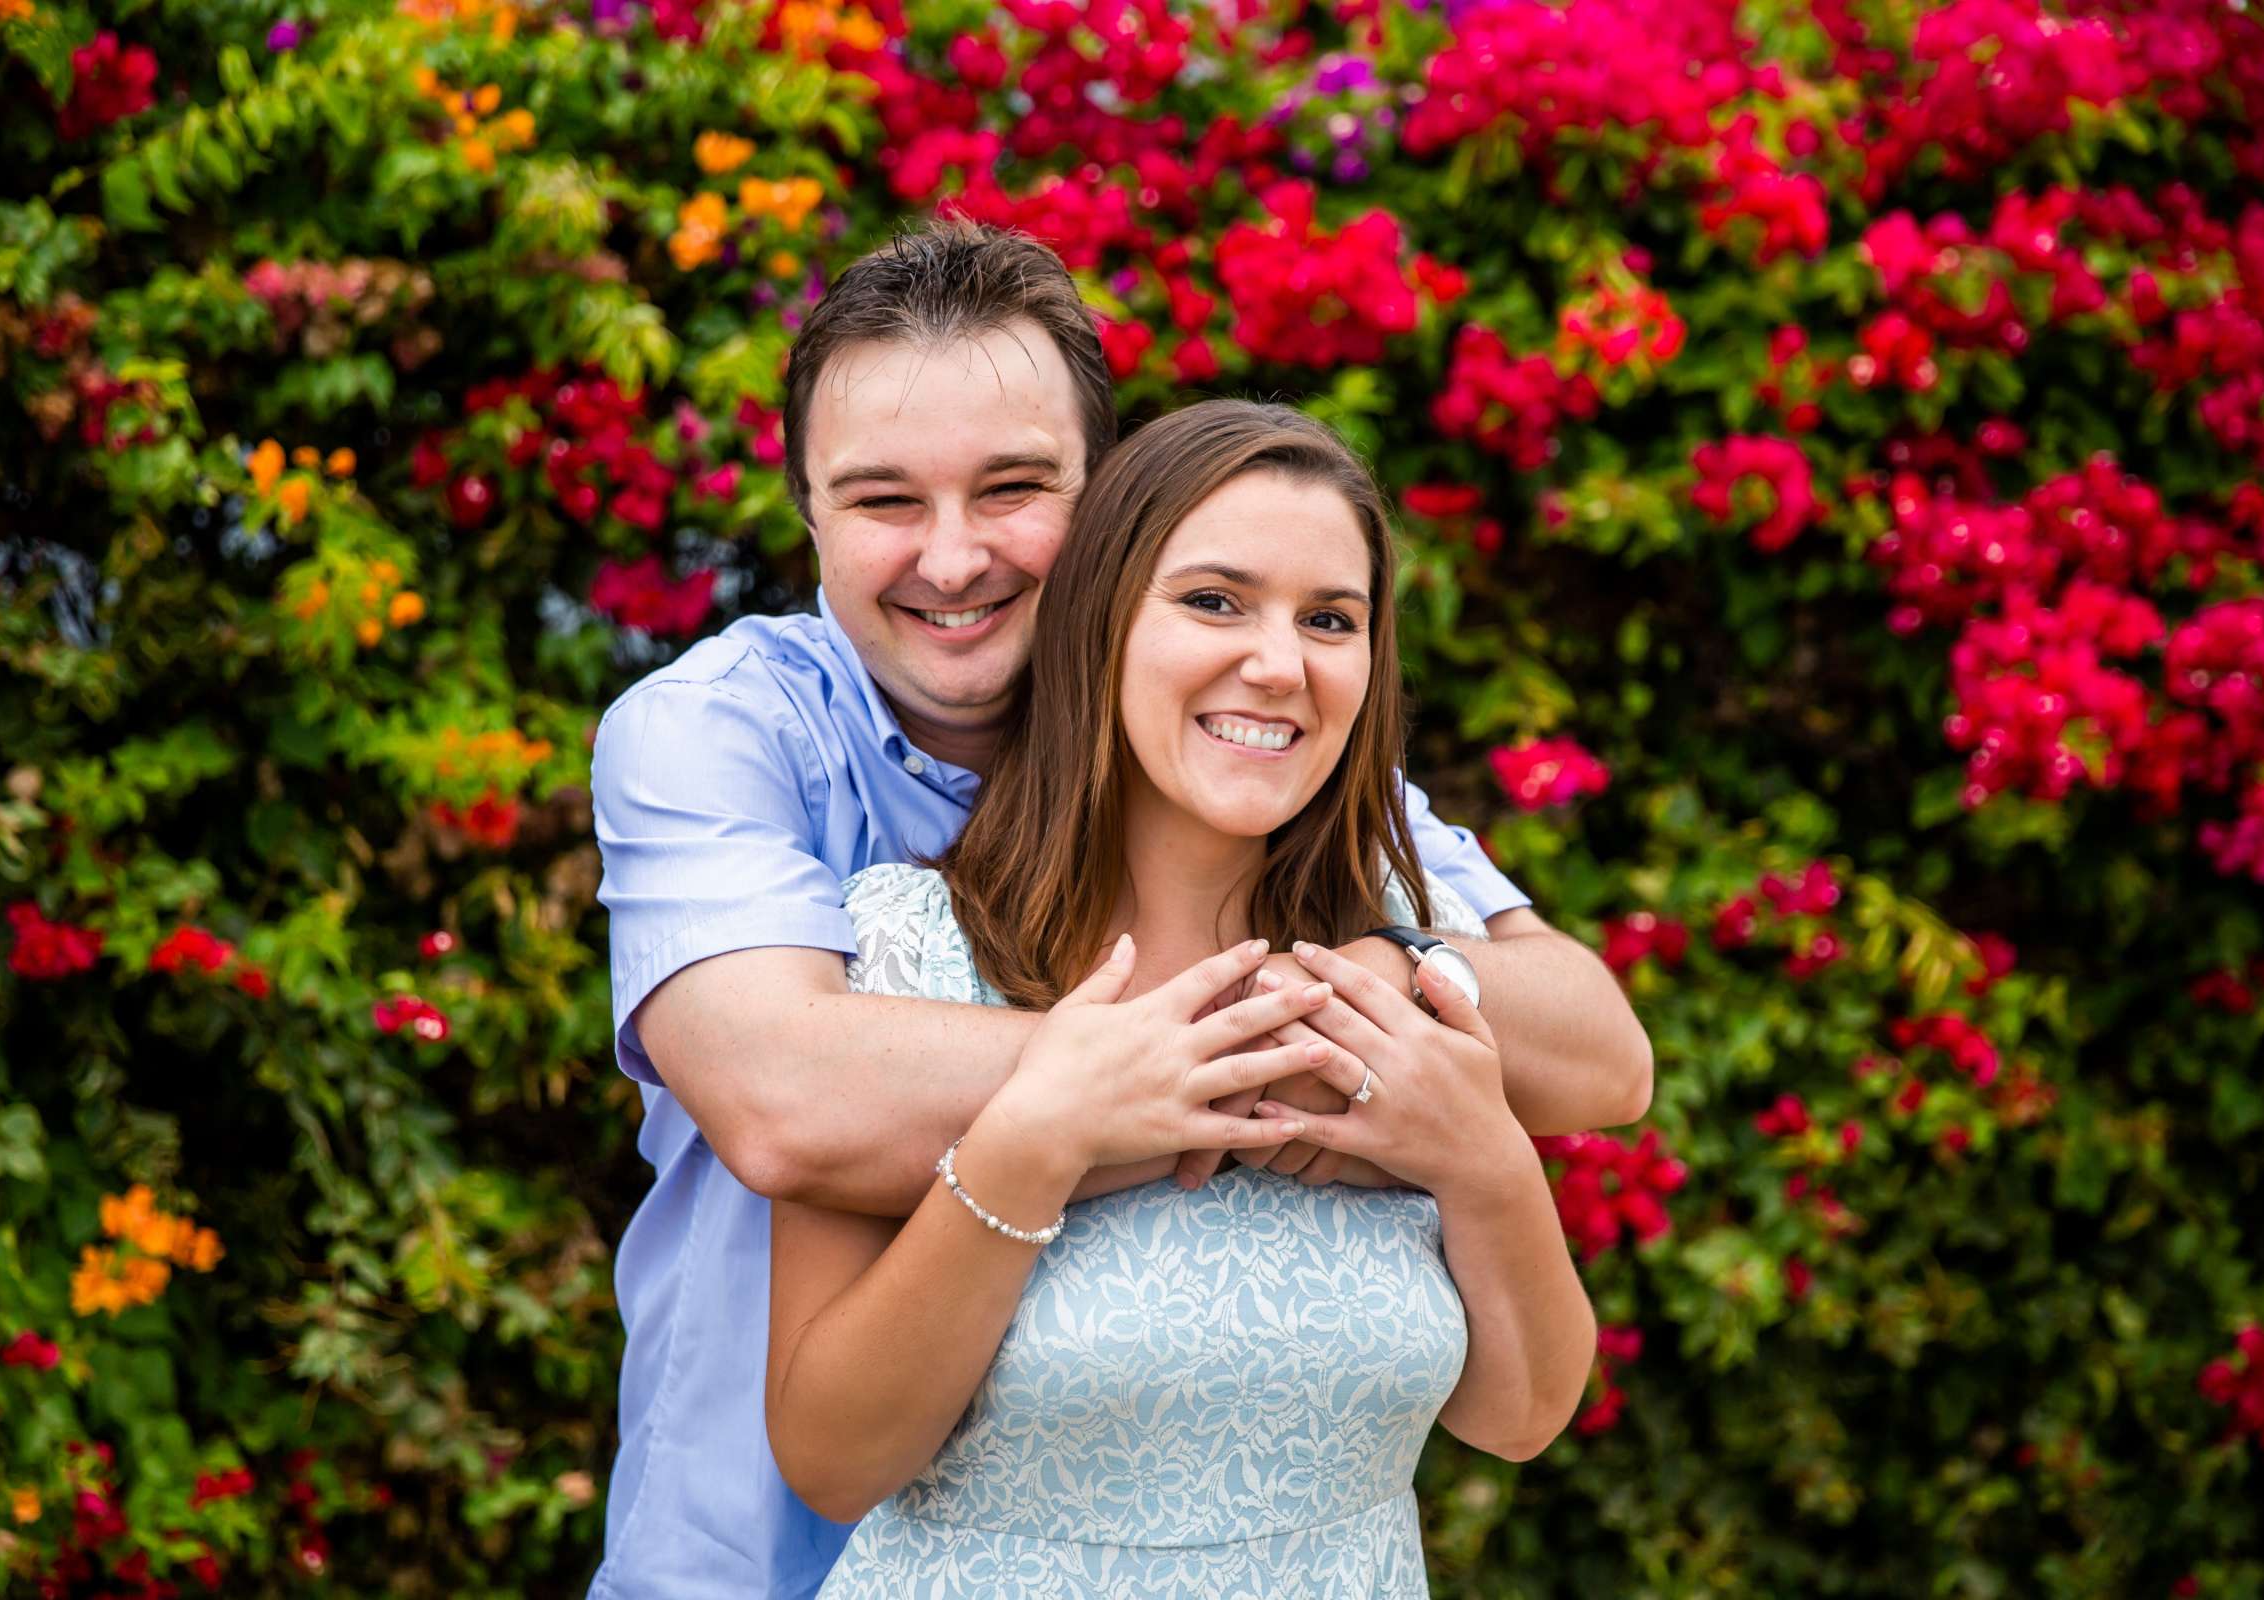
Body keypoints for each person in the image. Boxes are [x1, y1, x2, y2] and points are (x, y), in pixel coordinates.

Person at [586, 222, 1650, 1600]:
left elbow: (1596, 1053)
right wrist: (1266, 1061)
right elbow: (787, 1103)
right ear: (809, 519)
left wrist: (1414, 1044)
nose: (954, 559)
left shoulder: (1251, 742)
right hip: (749, 1555)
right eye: (884, 502)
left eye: (1014, 488)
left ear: (1106, 508)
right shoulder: (725, 737)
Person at [772, 398, 1597, 1594]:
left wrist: (1485, 1160)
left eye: (1331, 619)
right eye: (1214, 600)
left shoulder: (1404, 981)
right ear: (1102, 620)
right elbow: (832, 1460)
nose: (1278, 662)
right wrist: (1034, 1142)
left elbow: (1518, 1415)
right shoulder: (905, 948)